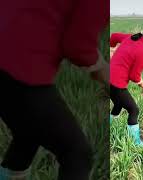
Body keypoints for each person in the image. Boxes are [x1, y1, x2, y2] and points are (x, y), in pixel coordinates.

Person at [0, 0, 108, 179]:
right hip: (19, 69)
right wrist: (101, 68)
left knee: (28, 131)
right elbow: (78, 46)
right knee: (77, 154)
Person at [109, 25, 143, 146]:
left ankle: (109, 127)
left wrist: (111, 47)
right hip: (116, 83)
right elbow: (134, 76)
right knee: (134, 110)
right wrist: (140, 81)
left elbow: (113, 37)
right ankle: (135, 142)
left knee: (118, 103)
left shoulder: (132, 37)